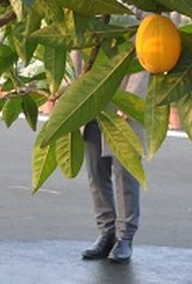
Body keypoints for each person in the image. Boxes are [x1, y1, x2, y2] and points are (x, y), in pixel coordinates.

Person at [76, 51, 149, 265]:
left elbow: (145, 58)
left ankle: (125, 236)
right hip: (91, 102)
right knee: (95, 172)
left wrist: (132, 99)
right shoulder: (84, 22)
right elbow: (77, 57)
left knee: (125, 173)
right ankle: (106, 233)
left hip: (122, 104)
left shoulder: (135, 17)